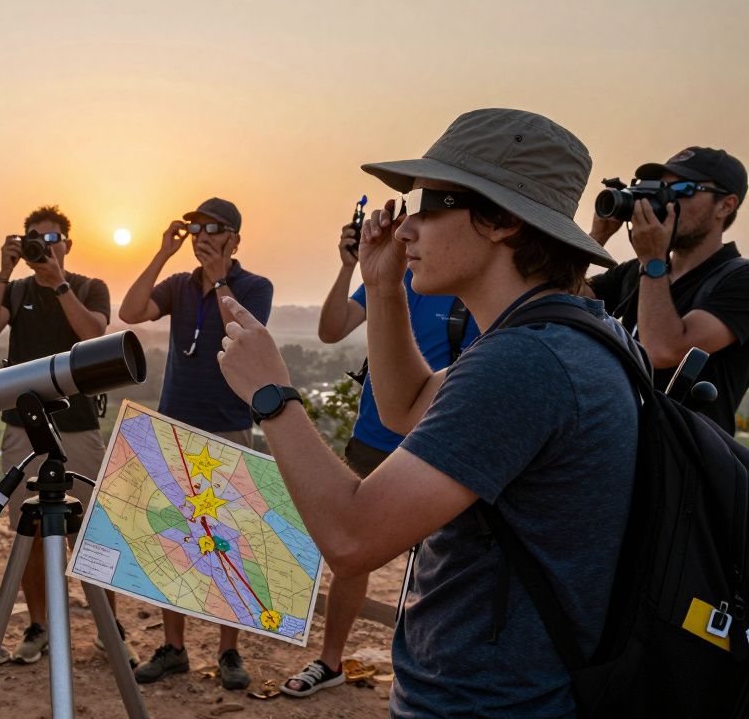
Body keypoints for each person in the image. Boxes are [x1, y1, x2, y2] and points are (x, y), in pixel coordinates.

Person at [216, 108, 638, 716]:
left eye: (433, 203)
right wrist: (383, 287)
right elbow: (406, 407)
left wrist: (271, 396)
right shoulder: (572, 333)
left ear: (503, 221)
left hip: (486, 704)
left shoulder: (526, 363)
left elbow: (352, 540)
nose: (406, 228)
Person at [285, 232, 477, 698]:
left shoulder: (475, 287)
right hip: (372, 439)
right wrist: (348, 266)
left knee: (443, 566)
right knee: (350, 558)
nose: (412, 232)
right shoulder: (403, 276)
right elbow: (331, 330)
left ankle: (428, 675)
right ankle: (330, 661)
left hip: (434, 447)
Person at [118, 196, 273, 691]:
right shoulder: (178, 286)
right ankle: (174, 648)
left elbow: (243, 338)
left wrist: (221, 279)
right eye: (195, 228)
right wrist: (162, 253)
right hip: (174, 427)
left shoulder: (255, 287)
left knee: (228, 541)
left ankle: (228, 650)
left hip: (228, 426)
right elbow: (130, 311)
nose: (201, 236)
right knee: (175, 541)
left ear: (234, 239)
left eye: (213, 228)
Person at [0, 205, 137, 666]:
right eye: (34, 239)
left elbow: (94, 332)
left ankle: (109, 627)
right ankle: (39, 625)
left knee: (92, 532)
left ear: (68, 243)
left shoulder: (88, 287)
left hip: (78, 425)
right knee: (28, 531)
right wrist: (3, 273)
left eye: (52, 239)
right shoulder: (16, 288)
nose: (43, 247)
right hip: (23, 426)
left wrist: (59, 283)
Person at [586, 147, 748, 434]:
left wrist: (653, 260)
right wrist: (595, 238)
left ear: (726, 205)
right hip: (619, 442)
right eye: (661, 189)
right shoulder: (638, 270)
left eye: (683, 189)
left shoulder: (740, 280)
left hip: (684, 454)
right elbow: (559, 299)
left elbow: (663, 350)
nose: (668, 200)